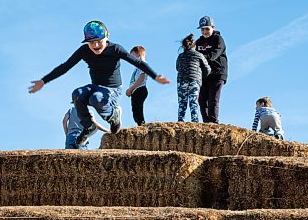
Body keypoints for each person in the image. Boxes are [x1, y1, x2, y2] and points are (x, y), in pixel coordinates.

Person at [28, 21, 170, 146]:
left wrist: (155, 76)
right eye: (92, 42)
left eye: (99, 41)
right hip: (96, 86)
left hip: (113, 89)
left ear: (106, 37)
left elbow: (138, 62)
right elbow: (65, 66)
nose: (96, 45)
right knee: (77, 94)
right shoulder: (84, 50)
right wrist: (43, 81)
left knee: (96, 98)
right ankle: (89, 127)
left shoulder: (115, 49)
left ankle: (114, 116)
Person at [195, 15, 228, 123]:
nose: (204, 31)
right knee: (201, 99)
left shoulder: (218, 39)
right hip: (204, 74)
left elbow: (214, 54)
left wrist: (201, 58)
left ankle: (213, 122)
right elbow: (191, 54)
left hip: (217, 73)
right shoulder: (198, 42)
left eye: (207, 29)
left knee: (213, 98)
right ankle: (206, 123)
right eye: (202, 29)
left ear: (212, 27)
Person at [176, 34, 211, 122]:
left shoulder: (180, 56)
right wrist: (201, 76)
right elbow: (207, 69)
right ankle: (194, 120)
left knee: (182, 102)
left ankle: (180, 120)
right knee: (193, 102)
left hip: (181, 81)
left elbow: (177, 67)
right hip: (194, 81)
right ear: (194, 46)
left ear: (183, 46)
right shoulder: (199, 55)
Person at [126, 45, 148, 126]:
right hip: (136, 90)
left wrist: (131, 89)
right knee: (135, 109)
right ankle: (139, 124)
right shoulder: (138, 67)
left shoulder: (143, 64)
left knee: (138, 108)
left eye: (132, 57)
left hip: (140, 89)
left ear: (138, 55)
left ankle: (142, 125)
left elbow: (141, 78)